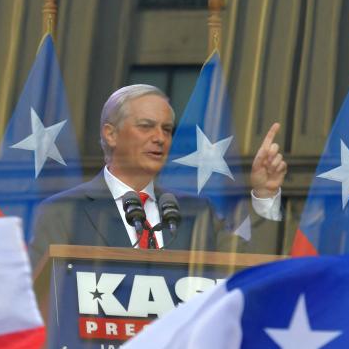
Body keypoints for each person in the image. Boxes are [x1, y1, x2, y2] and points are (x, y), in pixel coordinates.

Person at [29, 84, 287, 266]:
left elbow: (249, 268)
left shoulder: (196, 212)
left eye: (166, 129)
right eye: (146, 126)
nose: (159, 138)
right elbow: (42, 296)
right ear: (111, 134)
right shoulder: (64, 211)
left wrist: (265, 194)